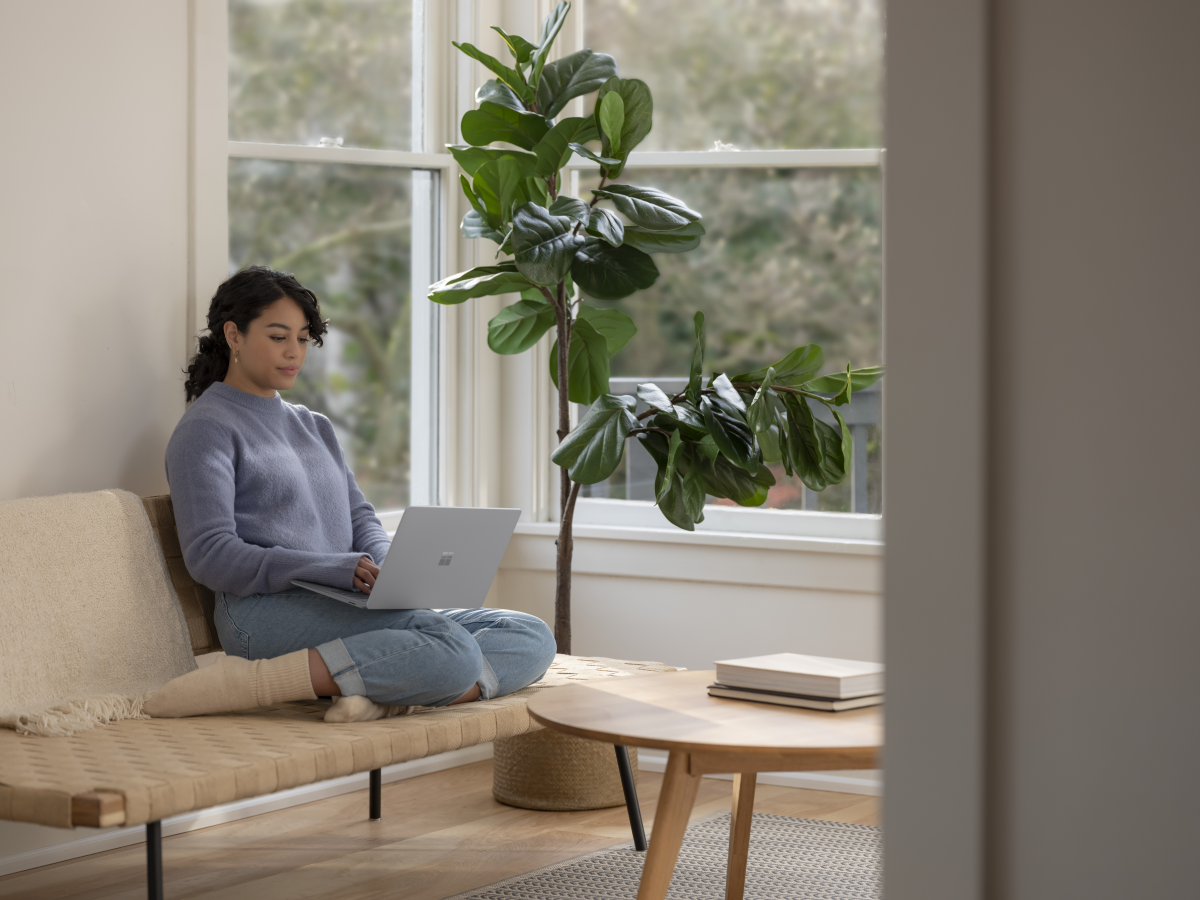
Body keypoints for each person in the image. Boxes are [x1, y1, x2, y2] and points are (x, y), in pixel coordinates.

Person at [144, 267, 556, 723]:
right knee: (451, 647)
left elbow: (360, 518)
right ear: (233, 335)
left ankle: (386, 693)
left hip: (344, 601)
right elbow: (209, 555)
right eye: (278, 336)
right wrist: (331, 568)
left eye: (302, 339)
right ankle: (255, 684)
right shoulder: (205, 429)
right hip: (261, 614)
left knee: (529, 634)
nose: (293, 353)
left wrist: (389, 568)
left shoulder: (313, 425)